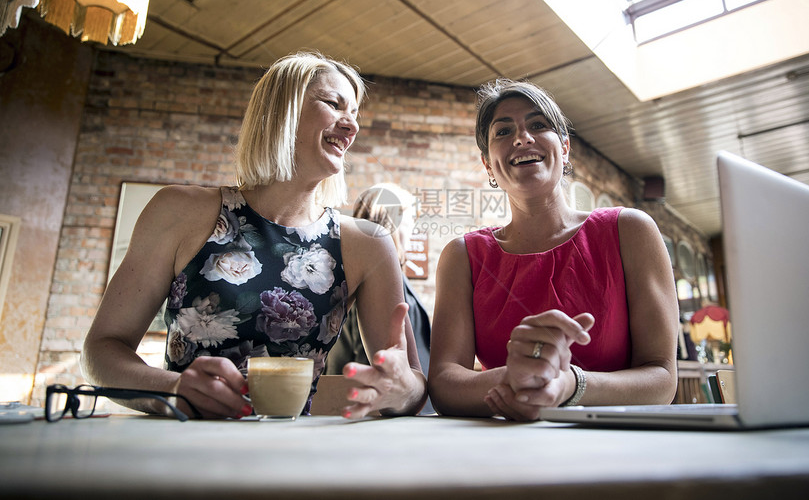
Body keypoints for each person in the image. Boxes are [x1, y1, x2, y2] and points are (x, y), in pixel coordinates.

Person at [82, 52, 428, 420]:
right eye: (334, 104)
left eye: (356, 114)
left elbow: (413, 388)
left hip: (295, 462)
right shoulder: (176, 211)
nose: (352, 126)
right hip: (180, 451)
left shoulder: (369, 244)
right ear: (283, 111)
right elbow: (101, 351)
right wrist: (174, 388)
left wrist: (403, 388)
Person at [428, 79, 678, 421]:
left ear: (565, 147)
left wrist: (568, 386)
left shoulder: (630, 230)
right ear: (488, 164)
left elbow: (662, 379)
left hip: (618, 448)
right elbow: (443, 384)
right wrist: (517, 379)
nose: (522, 138)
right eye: (503, 131)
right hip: (504, 451)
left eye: (537, 125)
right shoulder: (463, 256)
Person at [323, 183, 434, 414]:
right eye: (411, 217)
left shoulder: (384, 276)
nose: (414, 228)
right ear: (395, 219)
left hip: (406, 408)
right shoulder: (370, 282)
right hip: (379, 412)